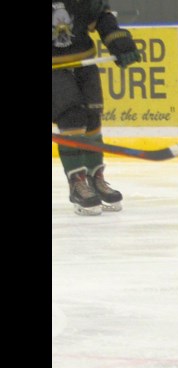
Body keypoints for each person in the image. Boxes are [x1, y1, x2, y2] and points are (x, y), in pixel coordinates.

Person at [52, 1, 142, 216]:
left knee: (93, 117)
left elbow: (101, 17)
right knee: (71, 118)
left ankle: (95, 177)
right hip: (55, 69)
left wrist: (120, 44)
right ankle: (77, 182)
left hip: (85, 62)